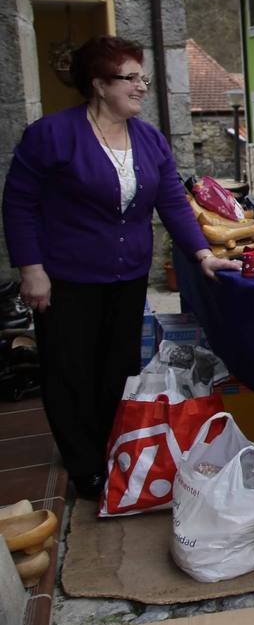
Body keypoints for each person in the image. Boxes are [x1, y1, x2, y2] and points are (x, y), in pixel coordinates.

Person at [2, 36, 239, 499]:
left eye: (142, 77)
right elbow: (19, 203)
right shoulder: (52, 134)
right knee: (69, 370)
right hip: (67, 277)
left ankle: (114, 447)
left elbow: (172, 202)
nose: (141, 87)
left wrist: (203, 254)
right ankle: (84, 464)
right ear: (98, 84)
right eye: (130, 78)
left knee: (117, 367)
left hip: (127, 275)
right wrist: (31, 268)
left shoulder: (148, 139)